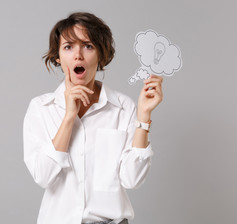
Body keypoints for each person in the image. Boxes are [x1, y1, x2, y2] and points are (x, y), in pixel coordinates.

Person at [23, 12, 163, 224]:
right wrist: (69, 117)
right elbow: (43, 176)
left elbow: (132, 179)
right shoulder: (41, 108)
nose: (78, 55)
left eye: (88, 46)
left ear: (101, 55)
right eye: (68, 47)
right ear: (58, 57)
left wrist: (144, 115)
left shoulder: (122, 107)